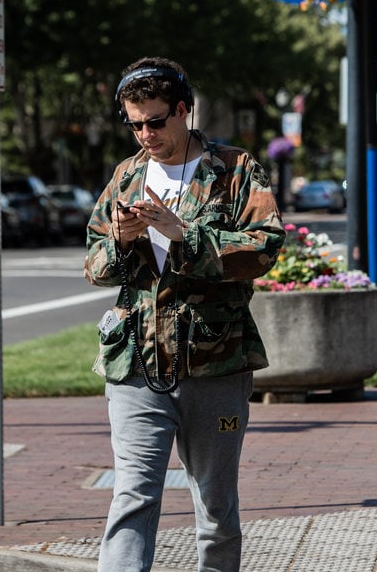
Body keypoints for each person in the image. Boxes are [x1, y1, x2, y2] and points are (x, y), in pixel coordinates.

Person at [84, 56, 285, 572]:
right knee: (132, 495)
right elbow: (94, 264)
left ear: (182, 111)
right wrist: (120, 240)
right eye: (134, 123)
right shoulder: (126, 175)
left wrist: (184, 234)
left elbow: (265, 249)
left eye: (155, 121)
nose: (145, 134)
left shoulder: (235, 169)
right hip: (136, 361)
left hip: (214, 362)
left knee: (215, 509)